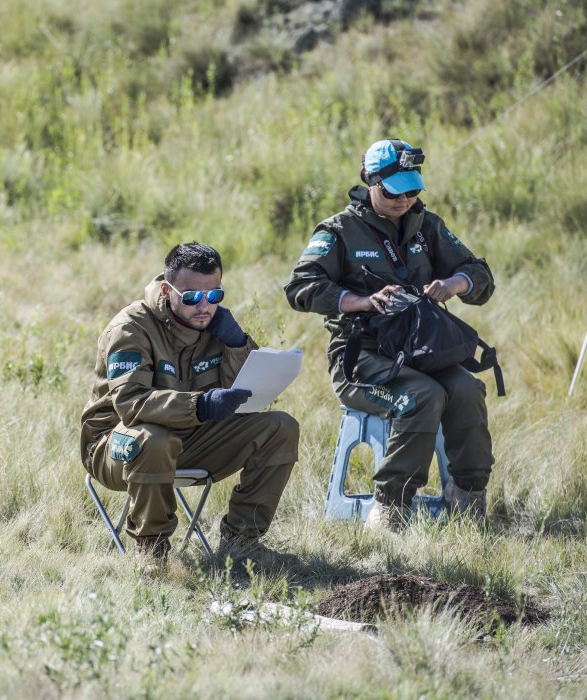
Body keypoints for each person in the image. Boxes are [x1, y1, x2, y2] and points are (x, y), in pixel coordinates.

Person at [285, 138, 495, 531]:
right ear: (369, 180)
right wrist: (361, 301)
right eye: (395, 191)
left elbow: (481, 275)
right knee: (424, 396)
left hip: (421, 351)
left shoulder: (426, 225)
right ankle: (391, 506)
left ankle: (468, 498)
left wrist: (456, 283)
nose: (405, 200)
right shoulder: (339, 231)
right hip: (361, 358)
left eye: (413, 190)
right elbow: (300, 288)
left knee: (467, 390)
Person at [81, 242, 300, 560]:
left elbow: (242, 389)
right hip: (115, 445)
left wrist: (239, 343)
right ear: (167, 290)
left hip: (189, 437)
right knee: (154, 440)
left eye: (214, 296)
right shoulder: (130, 328)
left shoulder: (215, 325)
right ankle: (151, 550)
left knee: (280, 427)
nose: (204, 306)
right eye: (192, 297)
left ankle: (241, 544)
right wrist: (201, 404)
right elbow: (130, 404)